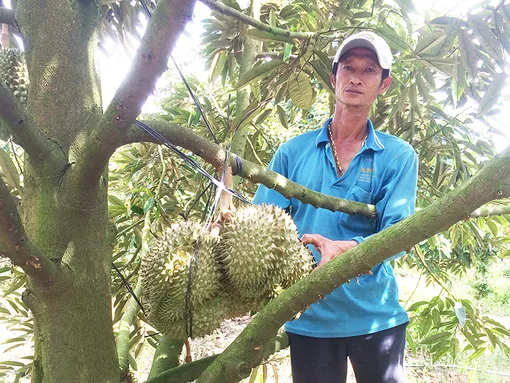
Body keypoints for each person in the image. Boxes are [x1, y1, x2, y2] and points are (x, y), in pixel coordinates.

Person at [253, 31, 419, 383]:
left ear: (384, 84)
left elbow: (399, 233)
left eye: (369, 70)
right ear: (334, 78)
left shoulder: (398, 156)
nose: (356, 77)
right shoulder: (292, 152)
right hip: (309, 315)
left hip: (375, 315)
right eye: (348, 67)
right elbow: (259, 226)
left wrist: (349, 249)